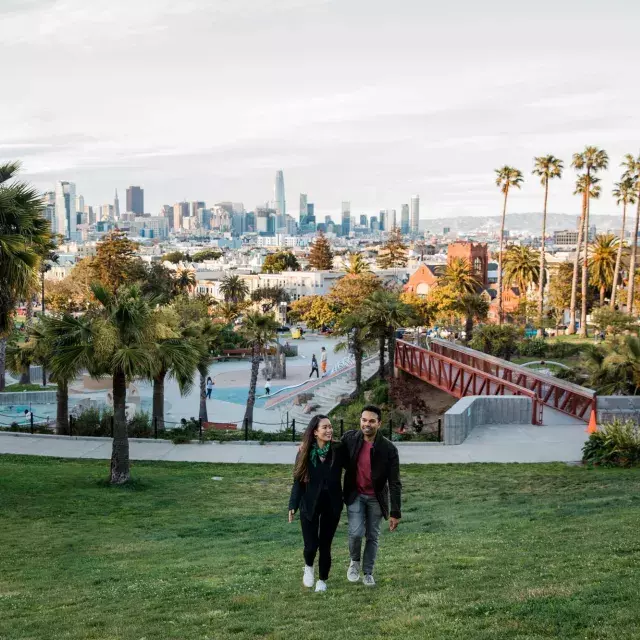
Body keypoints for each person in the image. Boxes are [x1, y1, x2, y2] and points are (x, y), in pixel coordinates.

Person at [341, 405, 402, 587]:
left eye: (372, 421)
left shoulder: (389, 449)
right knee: (356, 532)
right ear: (360, 421)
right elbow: (330, 450)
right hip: (355, 494)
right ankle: (354, 562)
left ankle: (368, 572)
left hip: (376, 497)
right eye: (364, 420)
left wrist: (395, 512)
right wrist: (309, 444)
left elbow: (394, 482)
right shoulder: (350, 439)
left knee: (372, 536)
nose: (367, 424)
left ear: (379, 423)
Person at [288, 415, 346, 592]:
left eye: (330, 427)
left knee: (325, 544)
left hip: (332, 503)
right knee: (311, 544)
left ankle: (323, 579)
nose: (329, 430)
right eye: (325, 428)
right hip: (309, 503)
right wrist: (293, 504)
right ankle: (308, 568)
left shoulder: (338, 448)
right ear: (315, 432)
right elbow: (298, 480)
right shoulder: (305, 451)